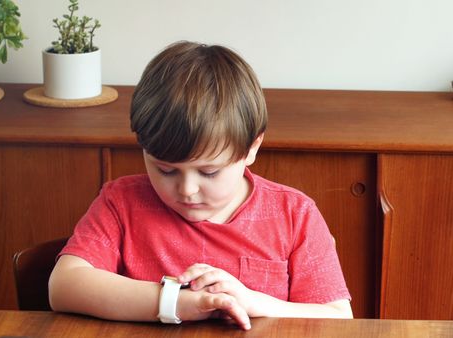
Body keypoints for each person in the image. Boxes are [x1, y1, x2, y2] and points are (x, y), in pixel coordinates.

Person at [48, 41, 353, 330]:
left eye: (208, 173)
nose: (187, 189)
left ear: (251, 148)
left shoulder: (293, 214)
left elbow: (338, 317)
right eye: (166, 170)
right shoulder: (121, 202)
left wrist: (251, 301)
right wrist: (175, 303)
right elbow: (64, 285)